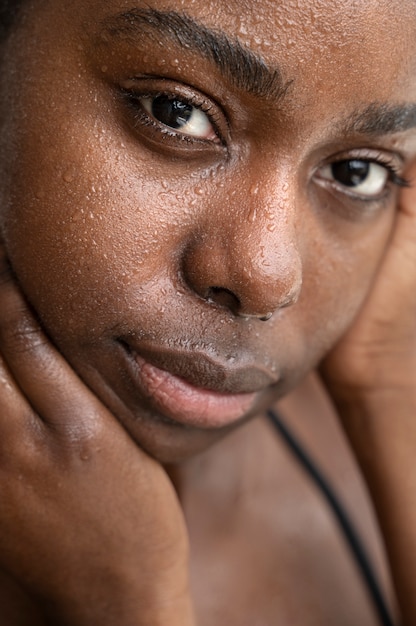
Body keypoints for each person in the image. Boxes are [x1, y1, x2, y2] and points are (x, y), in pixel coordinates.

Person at [0, 0, 415, 623]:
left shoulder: (360, 464)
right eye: (178, 112)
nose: (267, 277)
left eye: (357, 173)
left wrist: (393, 388)